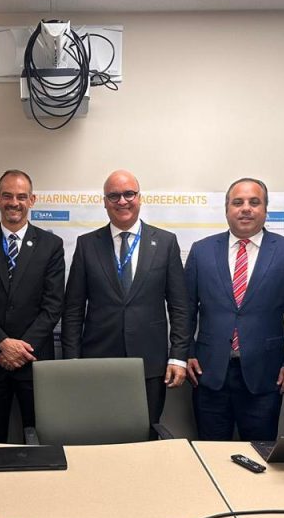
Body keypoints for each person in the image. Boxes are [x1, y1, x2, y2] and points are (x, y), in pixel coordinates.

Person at [61, 170, 189, 428]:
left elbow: (180, 307)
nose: (122, 201)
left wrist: (178, 356)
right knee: (99, 432)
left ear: (139, 198)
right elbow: (73, 309)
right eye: (114, 196)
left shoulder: (165, 242)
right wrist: (72, 361)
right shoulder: (87, 245)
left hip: (150, 363)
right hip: (98, 362)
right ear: (104, 202)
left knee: (147, 433)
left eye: (129, 194)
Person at [185, 178, 284, 441]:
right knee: (209, 450)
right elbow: (186, 309)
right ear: (226, 209)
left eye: (254, 202)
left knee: (261, 451)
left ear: (265, 209)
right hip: (208, 372)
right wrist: (187, 352)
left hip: (266, 373)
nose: (246, 208)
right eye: (238, 202)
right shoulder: (201, 251)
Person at [0, 170, 65, 442]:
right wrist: (3, 343)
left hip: (33, 362)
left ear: (32, 200)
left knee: (39, 443)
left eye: (21, 196)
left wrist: (20, 349)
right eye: (7, 195)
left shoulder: (51, 246)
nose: (14, 202)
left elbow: (53, 305)